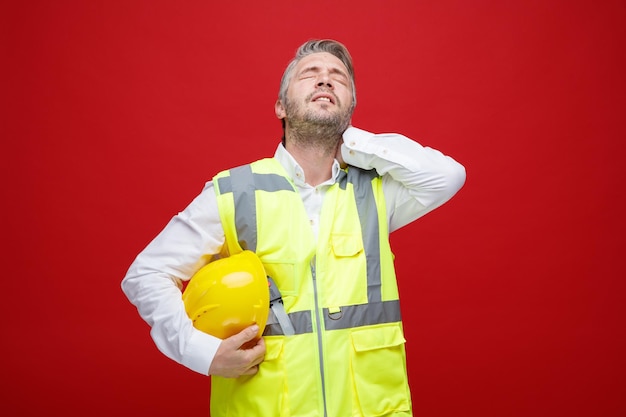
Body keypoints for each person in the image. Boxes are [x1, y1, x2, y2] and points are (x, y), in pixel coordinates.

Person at [122, 39, 466, 417]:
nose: (325, 81)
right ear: (281, 106)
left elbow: (447, 176)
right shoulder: (236, 191)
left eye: (338, 78)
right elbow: (147, 274)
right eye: (310, 75)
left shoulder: (376, 193)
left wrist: (349, 141)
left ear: (350, 106)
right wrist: (201, 353)